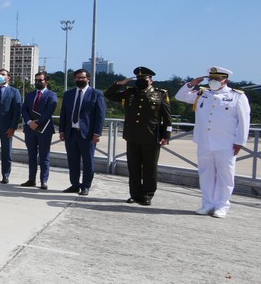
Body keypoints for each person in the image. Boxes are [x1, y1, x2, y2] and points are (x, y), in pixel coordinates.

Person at [175, 67, 251, 218]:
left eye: (217, 79)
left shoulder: (236, 96)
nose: (213, 82)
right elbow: (180, 96)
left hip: (226, 143)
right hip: (205, 142)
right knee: (206, 174)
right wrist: (191, 84)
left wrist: (240, 142)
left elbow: (244, 121)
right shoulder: (203, 94)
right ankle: (207, 204)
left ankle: (222, 205)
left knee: (225, 175)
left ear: (225, 80)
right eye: (211, 79)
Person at [105, 67, 172, 205]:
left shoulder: (160, 94)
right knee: (133, 167)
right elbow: (109, 94)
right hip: (132, 136)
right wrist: (120, 84)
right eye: (139, 79)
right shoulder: (129, 93)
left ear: (151, 80)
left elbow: (167, 118)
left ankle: (147, 194)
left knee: (150, 167)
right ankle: (135, 194)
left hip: (151, 136)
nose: (141, 81)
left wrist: (166, 135)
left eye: (144, 79)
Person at [58, 69, 106, 196]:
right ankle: (74, 185)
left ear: (88, 79)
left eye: (82, 77)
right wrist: (62, 130)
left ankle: (85, 186)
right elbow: (64, 114)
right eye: (77, 78)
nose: (80, 80)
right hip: (71, 133)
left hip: (87, 134)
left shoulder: (96, 94)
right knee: (72, 161)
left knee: (88, 161)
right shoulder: (69, 94)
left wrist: (97, 133)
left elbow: (100, 115)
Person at [20, 71, 58, 190]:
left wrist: (38, 122)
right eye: (36, 80)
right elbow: (24, 109)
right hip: (30, 129)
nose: (37, 82)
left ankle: (43, 181)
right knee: (31, 156)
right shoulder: (30, 95)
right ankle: (31, 180)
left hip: (44, 130)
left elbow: (49, 111)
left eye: (40, 80)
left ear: (46, 81)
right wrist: (29, 122)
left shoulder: (51, 95)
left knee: (44, 156)